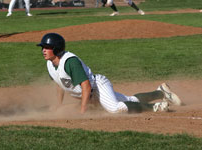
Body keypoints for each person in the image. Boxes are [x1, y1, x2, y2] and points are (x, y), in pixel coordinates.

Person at [37, 33, 182, 114]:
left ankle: (155, 107)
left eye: (47, 47)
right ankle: (160, 92)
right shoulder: (50, 64)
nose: (43, 50)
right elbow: (59, 84)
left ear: (56, 49)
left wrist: (83, 110)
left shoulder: (70, 62)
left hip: (97, 86)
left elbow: (86, 86)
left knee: (114, 108)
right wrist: (58, 104)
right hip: (92, 93)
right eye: (43, 47)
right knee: (130, 101)